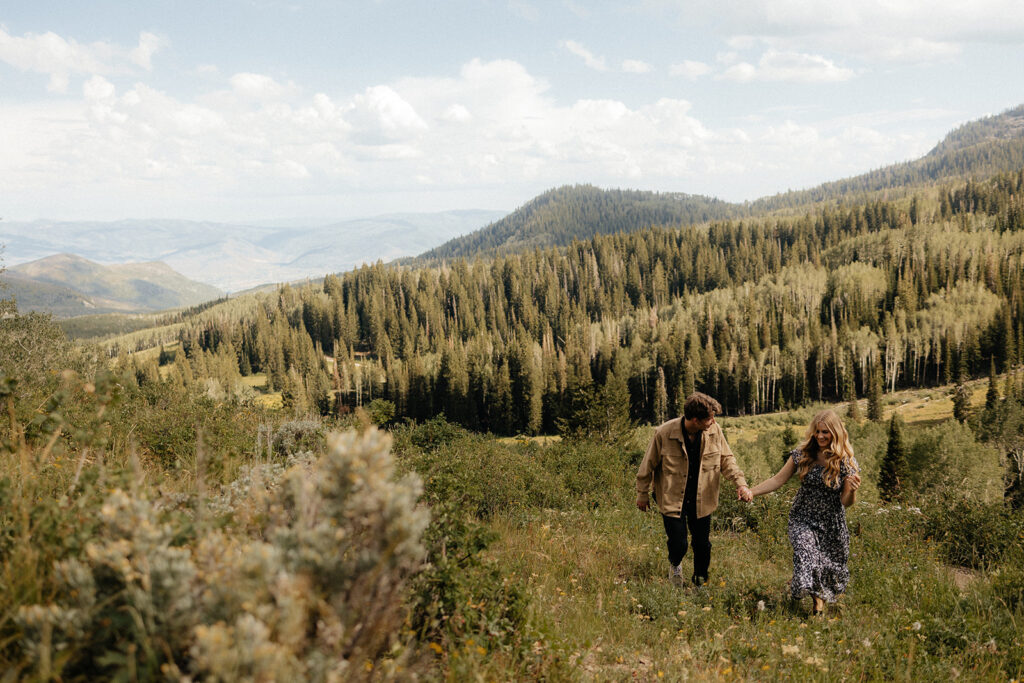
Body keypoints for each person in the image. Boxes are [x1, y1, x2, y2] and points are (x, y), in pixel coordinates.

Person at [748, 409, 862, 615]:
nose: (820, 436)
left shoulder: (846, 462)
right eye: (817, 431)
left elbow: (846, 502)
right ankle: (818, 605)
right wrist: (751, 491)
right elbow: (777, 480)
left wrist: (852, 491)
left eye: (825, 432)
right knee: (806, 552)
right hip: (803, 517)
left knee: (827, 565)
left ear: (835, 433)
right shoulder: (802, 454)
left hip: (831, 522)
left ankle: (808, 584)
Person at [636, 392, 752, 587]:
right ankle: (675, 565)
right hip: (671, 497)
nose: (713, 421)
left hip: (702, 498)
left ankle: (700, 582)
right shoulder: (664, 433)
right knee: (678, 544)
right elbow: (647, 465)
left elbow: (726, 460)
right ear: (696, 420)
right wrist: (643, 494)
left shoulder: (714, 430)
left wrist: (740, 483)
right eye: (709, 418)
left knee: (702, 545)